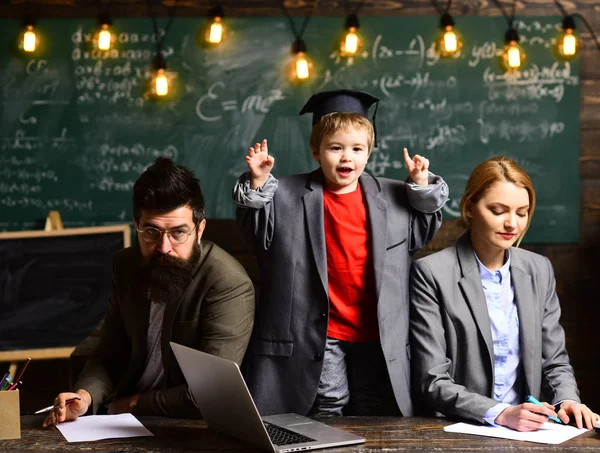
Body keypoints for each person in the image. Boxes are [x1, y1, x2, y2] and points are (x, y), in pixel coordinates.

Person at [232, 89, 448, 417]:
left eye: (357, 149)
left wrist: (420, 184)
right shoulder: (286, 194)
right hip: (320, 330)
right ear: (316, 151)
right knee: (329, 402)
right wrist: (259, 182)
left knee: (372, 405)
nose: (347, 157)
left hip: (374, 330)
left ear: (369, 152)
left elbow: (423, 230)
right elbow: (256, 230)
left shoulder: (392, 196)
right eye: (335, 148)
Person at [43, 158, 255, 427]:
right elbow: (111, 350)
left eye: (178, 232)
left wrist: (132, 404)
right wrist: (84, 397)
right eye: (151, 232)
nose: (164, 247)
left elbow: (210, 394)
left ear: (199, 230)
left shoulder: (227, 282)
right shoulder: (126, 265)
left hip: (190, 425)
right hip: (120, 418)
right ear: (137, 226)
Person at [410, 156, 599, 431]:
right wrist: (501, 413)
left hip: (527, 433)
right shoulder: (431, 272)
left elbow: (554, 360)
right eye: (498, 211)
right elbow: (433, 380)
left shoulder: (539, 269)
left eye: (522, 213)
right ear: (470, 207)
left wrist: (567, 398)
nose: (512, 223)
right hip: (454, 430)